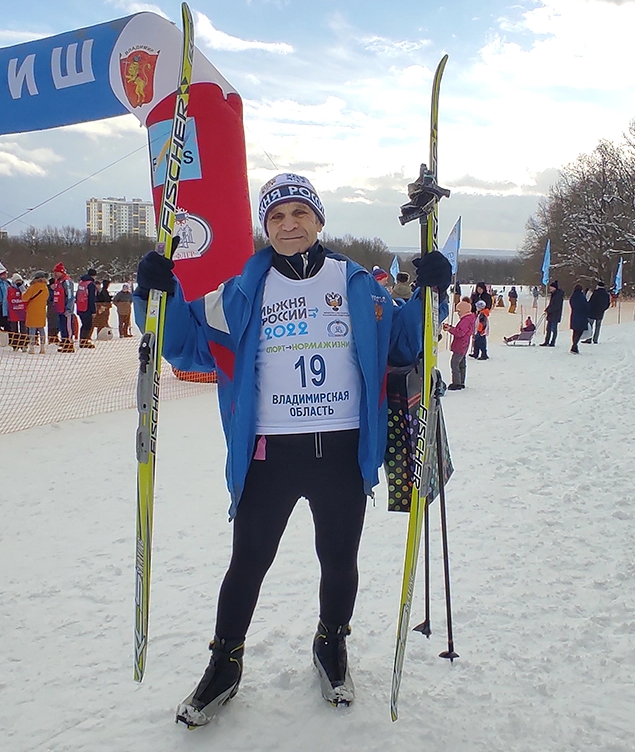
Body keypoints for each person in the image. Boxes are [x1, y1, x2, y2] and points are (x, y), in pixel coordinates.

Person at [133, 172, 452, 725]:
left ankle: (332, 644)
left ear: (319, 219)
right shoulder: (240, 292)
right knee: (248, 563)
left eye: (299, 213)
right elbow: (183, 343)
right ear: (265, 227)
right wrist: (156, 291)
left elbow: (406, 339)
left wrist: (431, 291)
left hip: (342, 451)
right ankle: (225, 663)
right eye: (276, 216)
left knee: (338, 559)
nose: (288, 224)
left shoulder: (357, 285)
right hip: (269, 455)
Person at [443, 299, 475, 390]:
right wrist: (451, 328)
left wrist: (450, 329)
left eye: (459, 311)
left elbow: (460, 333)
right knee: (461, 363)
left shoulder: (465, 320)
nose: (458, 313)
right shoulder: (468, 319)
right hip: (464, 344)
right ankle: (461, 382)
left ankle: (456, 383)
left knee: (455, 363)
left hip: (460, 345)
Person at [22, 271, 50, 354]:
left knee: (32, 329)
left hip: (32, 310)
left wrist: (23, 293)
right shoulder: (45, 287)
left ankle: (32, 347)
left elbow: (25, 298)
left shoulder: (32, 287)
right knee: (41, 329)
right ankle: (42, 347)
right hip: (41, 310)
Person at [52, 263, 75, 352]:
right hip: (60, 309)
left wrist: (68, 308)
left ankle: (69, 344)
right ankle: (64, 342)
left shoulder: (66, 281)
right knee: (62, 327)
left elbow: (70, 296)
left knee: (68, 326)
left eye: (57, 272)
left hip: (66, 310)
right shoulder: (58, 282)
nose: (55, 274)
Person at [76, 268, 98, 348]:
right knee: (88, 325)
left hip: (80, 306)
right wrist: (93, 311)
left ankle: (82, 340)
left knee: (84, 324)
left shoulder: (81, 283)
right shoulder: (91, 284)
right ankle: (84, 341)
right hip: (87, 307)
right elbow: (91, 298)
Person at [540, 280, 564, 347]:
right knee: (548, 329)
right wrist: (547, 309)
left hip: (555, 314)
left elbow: (556, 306)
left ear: (554, 288)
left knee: (553, 329)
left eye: (551, 287)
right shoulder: (553, 294)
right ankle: (546, 341)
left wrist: (549, 310)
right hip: (551, 314)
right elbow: (551, 304)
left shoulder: (558, 295)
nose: (550, 289)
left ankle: (552, 342)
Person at [7, 273, 28, 350]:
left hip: (23, 312)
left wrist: (21, 288)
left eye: (19, 281)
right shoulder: (10, 289)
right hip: (13, 312)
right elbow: (8, 300)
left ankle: (24, 344)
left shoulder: (24, 288)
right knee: (14, 329)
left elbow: (26, 296)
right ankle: (15, 345)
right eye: (16, 281)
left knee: (23, 329)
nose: (18, 282)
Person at [569, 283, 589, 354]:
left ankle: (574, 345)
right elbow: (586, 306)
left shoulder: (572, 297)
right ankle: (574, 345)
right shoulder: (582, 297)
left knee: (575, 331)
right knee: (579, 331)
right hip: (582, 316)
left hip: (574, 315)